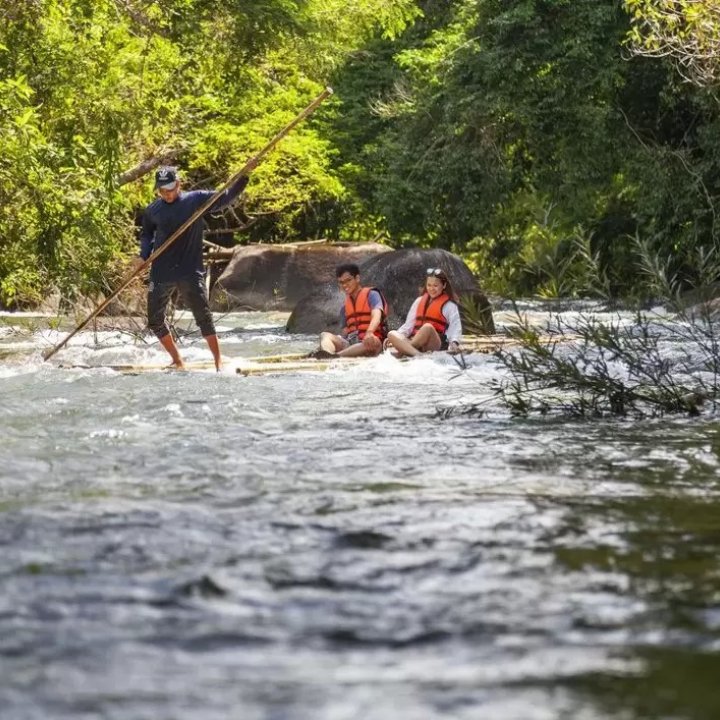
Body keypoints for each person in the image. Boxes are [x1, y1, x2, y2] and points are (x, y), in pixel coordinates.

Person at [133, 163, 256, 371]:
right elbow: (146, 235)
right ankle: (177, 360)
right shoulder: (153, 210)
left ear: (178, 185)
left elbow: (224, 198)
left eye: (170, 189)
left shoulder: (195, 200)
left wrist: (243, 177)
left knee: (203, 318)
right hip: (162, 270)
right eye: (162, 190)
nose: (167, 194)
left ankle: (217, 360)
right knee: (154, 319)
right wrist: (143, 256)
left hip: (189, 270)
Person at [314, 263, 388, 358]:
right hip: (352, 345)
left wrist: (369, 332)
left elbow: (376, 316)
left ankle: (335, 356)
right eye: (341, 282)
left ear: (357, 278)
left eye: (348, 280)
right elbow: (345, 333)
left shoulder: (372, 295)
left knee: (367, 343)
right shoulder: (344, 308)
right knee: (325, 335)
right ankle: (327, 354)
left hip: (372, 342)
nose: (345, 285)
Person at [385, 267, 463, 357]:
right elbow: (408, 326)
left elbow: (455, 327)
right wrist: (396, 337)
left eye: (435, 285)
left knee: (427, 327)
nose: (432, 289)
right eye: (429, 285)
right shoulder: (419, 301)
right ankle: (418, 355)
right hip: (416, 341)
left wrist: (454, 343)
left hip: (434, 343)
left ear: (444, 285)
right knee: (391, 334)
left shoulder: (449, 305)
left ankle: (404, 349)